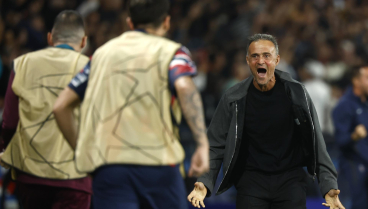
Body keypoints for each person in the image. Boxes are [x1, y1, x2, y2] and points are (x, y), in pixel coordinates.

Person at [53, 0, 209, 208]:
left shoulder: (101, 55)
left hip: (109, 166)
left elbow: (61, 106)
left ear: (129, 22)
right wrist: (202, 143)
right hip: (159, 163)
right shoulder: (173, 52)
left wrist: (80, 149)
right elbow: (184, 86)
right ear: (166, 22)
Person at [188, 34, 345, 209]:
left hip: (290, 181)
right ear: (248, 61)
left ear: (277, 60)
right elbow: (215, 144)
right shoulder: (233, 97)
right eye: (255, 56)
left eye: (266, 56)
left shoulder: (297, 93)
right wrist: (204, 181)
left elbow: (316, 142)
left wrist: (329, 185)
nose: (260, 61)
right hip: (251, 182)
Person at [0, 10, 91, 209]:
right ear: (83, 41)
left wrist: (8, 149)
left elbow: (9, 122)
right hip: (75, 176)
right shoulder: (92, 67)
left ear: (50, 37)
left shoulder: (22, 64)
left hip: (31, 175)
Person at [332, 66, 368, 209]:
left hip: (365, 162)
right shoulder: (344, 105)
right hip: (353, 164)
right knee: (358, 204)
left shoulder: (365, 103)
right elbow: (340, 140)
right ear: (356, 81)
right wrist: (354, 136)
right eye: (367, 78)